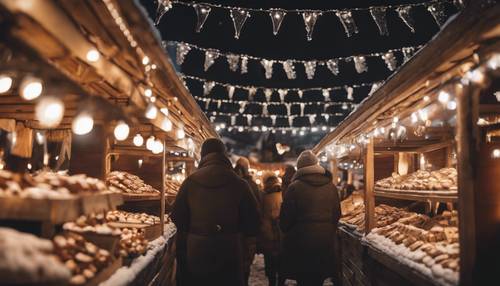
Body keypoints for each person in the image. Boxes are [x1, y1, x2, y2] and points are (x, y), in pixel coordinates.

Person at [171, 138, 261, 286]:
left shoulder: (190, 182)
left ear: (203, 155)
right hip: (230, 251)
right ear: (224, 155)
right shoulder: (240, 184)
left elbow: (178, 219)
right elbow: (254, 222)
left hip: (197, 252)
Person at [280, 150, 341, 286]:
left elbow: (285, 220)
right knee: (318, 278)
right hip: (324, 242)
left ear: (299, 168)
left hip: (301, 242)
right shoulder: (331, 187)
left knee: (304, 278)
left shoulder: (294, 187)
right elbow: (337, 214)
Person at [234, 156, 261, 285]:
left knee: (235, 264)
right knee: (245, 264)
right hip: (248, 232)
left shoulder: (231, 182)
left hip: (234, 231)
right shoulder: (252, 185)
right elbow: (258, 208)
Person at [259, 173, 284, 286]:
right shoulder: (282, 194)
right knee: (281, 261)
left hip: (267, 234)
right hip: (280, 234)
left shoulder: (263, 196)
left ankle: (272, 282)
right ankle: (280, 282)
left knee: (270, 263)